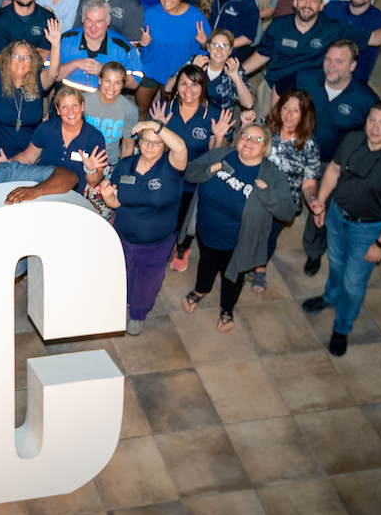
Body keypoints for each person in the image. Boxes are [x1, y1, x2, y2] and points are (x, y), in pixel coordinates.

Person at [302, 101, 381, 356]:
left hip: (368, 230)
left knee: (354, 282)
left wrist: (380, 244)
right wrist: (321, 203)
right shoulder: (352, 140)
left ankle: (341, 328)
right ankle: (330, 297)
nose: (375, 128)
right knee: (335, 261)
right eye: (371, 120)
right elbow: (333, 171)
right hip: (336, 216)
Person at [181, 123, 296, 332]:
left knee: (233, 276)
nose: (249, 142)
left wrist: (267, 196)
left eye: (257, 140)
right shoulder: (222, 154)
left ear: (265, 147)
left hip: (240, 241)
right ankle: (200, 290)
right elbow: (189, 173)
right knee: (207, 263)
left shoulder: (271, 174)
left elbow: (288, 212)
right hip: (207, 230)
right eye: (245, 136)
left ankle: (227, 309)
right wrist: (208, 171)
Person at [241, 0, 381, 104]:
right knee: (258, 133)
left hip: (308, 97)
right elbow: (262, 55)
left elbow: (374, 38)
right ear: (295, 2)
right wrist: (236, 72)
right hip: (272, 88)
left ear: (321, 6)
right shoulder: (278, 25)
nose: (307, 4)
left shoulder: (333, 29)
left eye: (314, 1)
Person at [295, 41, 379, 277]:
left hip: (330, 166)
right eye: (328, 59)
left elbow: (371, 141)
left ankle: (313, 251)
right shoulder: (305, 78)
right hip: (296, 153)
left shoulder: (366, 100)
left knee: (319, 207)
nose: (331, 66)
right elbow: (283, 102)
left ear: (353, 66)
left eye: (339, 61)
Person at [97, 118, 188, 334]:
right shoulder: (126, 165)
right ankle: (121, 303)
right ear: (138, 143)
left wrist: (153, 125)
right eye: (145, 141)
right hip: (123, 237)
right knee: (123, 273)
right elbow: (117, 202)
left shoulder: (171, 167)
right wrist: (108, 197)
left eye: (156, 142)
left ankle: (138, 314)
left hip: (156, 244)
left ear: (165, 145)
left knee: (147, 283)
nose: (150, 146)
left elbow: (181, 146)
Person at [154, 65, 233, 271]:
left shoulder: (213, 114)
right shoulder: (165, 107)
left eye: (195, 84)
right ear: (177, 86)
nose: (189, 89)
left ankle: (183, 247)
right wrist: (159, 128)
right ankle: (161, 245)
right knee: (163, 215)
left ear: (203, 87)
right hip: (167, 174)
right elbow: (151, 147)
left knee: (187, 219)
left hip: (194, 179)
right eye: (184, 83)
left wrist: (220, 136)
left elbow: (216, 156)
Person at [250, 90, 321, 293]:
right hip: (254, 194)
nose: (288, 115)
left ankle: (260, 269)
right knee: (247, 230)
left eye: (295, 111)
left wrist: (314, 200)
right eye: (286, 107)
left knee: (268, 237)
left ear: (305, 115)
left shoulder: (309, 145)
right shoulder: (266, 125)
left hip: (282, 203)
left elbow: (308, 184)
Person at [0, 10, 62, 156]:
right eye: (16, 56)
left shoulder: (38, 81)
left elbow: (54, 72)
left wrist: (55, 44)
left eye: (26, 58)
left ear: (33, 63)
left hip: (27, 157)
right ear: (7, 59)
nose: (20, 61)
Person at [8, 86, 106, 195]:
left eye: (75, 105)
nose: (70, 111)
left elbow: (93, 182)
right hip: (41, 189)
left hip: (73, 195)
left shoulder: (95, 137)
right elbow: (28, 157)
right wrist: (5, 164)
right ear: (58, 110)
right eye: (64, 107)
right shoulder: (45, 129)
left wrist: (90, 170)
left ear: (82, 106)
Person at [136, 0, 207, 116]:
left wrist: (204, 42)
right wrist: (142, 42)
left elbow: (205, 50)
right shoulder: (149, 14)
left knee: (169, 113)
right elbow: (137, 42)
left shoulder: (195, 16)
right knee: (141, 110)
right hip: (149, 69)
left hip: (177, 74)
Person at [83, 61, 140, 219]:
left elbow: (128, 148)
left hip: (110, 164)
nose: (111, 87)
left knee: (102, 212)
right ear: (100, 80)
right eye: (107, 80)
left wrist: (120, 177)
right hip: (83, 160)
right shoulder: (84, 101)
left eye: (117, 83)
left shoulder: (130, 110)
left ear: (123, 85)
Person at [57, 0, 143, 94]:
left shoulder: (121, 46)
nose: (93, 27)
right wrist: (74, 64)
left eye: (99, 22)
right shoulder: (65, 40)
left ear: (108, 21)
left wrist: (105, 72)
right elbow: (48, 75)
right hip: (68, 100)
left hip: (105, 102)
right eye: (89, 20)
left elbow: (135, 81)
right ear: (82, 19)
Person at [183, 29, 252, 114]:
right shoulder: (196, 61)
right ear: (208, 48)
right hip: (192, 114)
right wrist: (193, 71)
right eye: (215, 45)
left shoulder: (234, 68)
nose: (219, 50)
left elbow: (248, 104)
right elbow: (169, 87)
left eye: (224, 46)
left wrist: (235, 77)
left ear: (230, 51)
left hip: (220, 121)